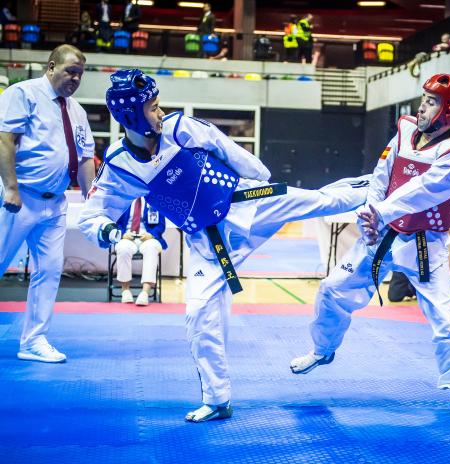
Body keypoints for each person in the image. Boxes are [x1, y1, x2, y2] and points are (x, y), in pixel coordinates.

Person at [78, 69, 370, 422]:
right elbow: (93, 214)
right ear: (131, 116)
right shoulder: (119, 165)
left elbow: (226, 148)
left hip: (247, 201)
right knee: (199, 313)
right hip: (207, 241)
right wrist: (108, 232)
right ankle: (218, 399)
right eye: (153, 108)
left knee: (324, 201)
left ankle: (381, 188)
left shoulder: (181, 129)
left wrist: (259, 176)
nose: (160, 111)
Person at [290, 73, 450, 419]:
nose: (422, 106)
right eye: (423, 98)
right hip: (383, 235)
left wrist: (379, 212)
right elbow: (382, 175)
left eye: (431, 101)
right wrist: (370, 215)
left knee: (444, 322)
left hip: (426, 246)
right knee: (332, 289)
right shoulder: (404, 131)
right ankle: (323, 349)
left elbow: (422, 191)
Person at [0, 44, 95, 363]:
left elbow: (84, 158)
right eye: (70, 71)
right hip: (19, 197)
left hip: (55, 204)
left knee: (50, 271)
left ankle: (33, 340)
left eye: (80, 74)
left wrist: (91, 197)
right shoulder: (22, 93)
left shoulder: (77, 111)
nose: (75, 78)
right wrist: (10, 187)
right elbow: (4, 140)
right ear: (51, 67)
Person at [114, 197, 166, 306]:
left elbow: (161, 225)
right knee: (123, 248)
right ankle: (125, 290)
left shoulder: (154, 199)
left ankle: (145, 292)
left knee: (151, 248)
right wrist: (122, 234)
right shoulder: (123, 199)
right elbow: (115, 222)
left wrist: (151, 235)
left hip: (148, 237)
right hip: (127, 237)